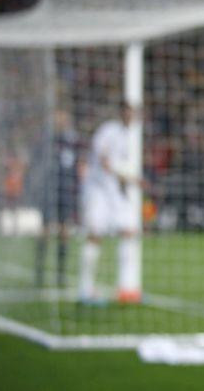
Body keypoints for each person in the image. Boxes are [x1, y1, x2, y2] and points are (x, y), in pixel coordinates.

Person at [78, 102, 143, 305]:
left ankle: (125, 288)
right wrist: (130, 178)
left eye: (134, 112)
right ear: (121, 113)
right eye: (128, 111)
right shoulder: (108, 130)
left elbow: (114, 168)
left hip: (113, 192)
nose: (130, 116)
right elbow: (104, 162)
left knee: (130, 230)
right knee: (95, 235)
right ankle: (85, 289)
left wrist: (130, 179)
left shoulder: (127, 137)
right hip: (97, 190)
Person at [35, 109, 81, 289]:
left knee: (64, 232)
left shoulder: (73, 141)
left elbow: (76, 166)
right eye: (58, 117)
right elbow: (37, 162)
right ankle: (39, 273)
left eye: (64, 117)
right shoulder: (47, 139)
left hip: (66, 191)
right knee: (45, 230)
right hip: (49, 189)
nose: (60, 121)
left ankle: (60, 275)